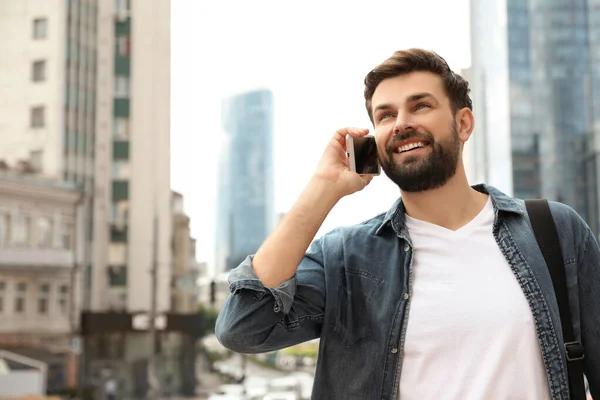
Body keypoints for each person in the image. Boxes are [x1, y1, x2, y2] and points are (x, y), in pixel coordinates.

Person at [215, 48, 599, 399]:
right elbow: (244, 326)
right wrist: (323, 189)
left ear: (463, 124)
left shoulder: (554, 231)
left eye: (420, 106)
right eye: (385, 115)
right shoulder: (347, 257)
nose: (401, 123)